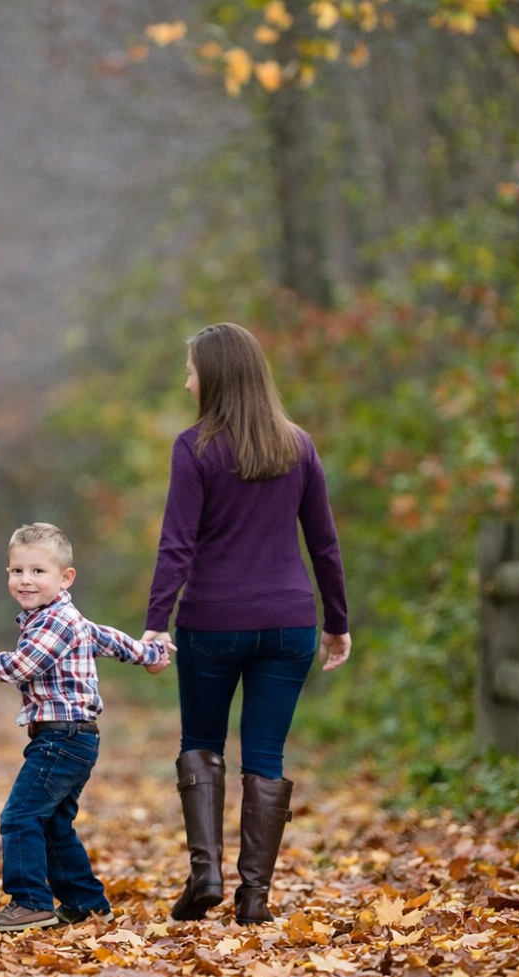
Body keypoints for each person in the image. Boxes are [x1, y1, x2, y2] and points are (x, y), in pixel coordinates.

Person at [142, 322, 351, 926]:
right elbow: (325, 545)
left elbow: (175, 544)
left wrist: (158, 621)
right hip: (289, 624)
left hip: (212, 623)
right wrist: (336, 621)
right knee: (266, 754)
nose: (186, 380)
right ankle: (254, 895)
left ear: (217, 376)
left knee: (201, 744)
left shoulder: (195, 447)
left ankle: (205, 871)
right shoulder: (298, 445)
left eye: (191, 369)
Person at [0, 524, 172, 932]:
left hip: (63, 737)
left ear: (65, 577)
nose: (25, 580)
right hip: (70, 737)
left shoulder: (54, 622)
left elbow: (23, 665)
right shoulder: (61, 617)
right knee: (54, 821)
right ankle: (86, 904)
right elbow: (108, 639)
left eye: (38, 571)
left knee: (20, 815)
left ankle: (30, 901)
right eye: (17, 570)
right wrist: (149, 653)